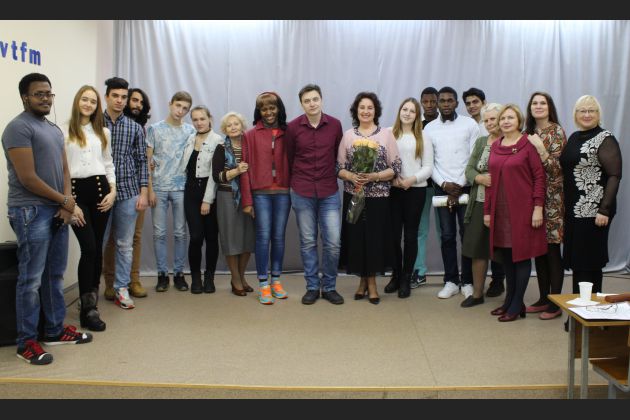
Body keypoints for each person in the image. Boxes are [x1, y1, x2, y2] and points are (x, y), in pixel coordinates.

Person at [2, 73, 91, 365]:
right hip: (30, 211)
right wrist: (64, 201)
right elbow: (27, 178)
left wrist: (66, 202)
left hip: (56, 210)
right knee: (30, 280)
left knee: (54, 275)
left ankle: (53, 330)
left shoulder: (52, 129)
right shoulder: (18, 128)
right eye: (38, 94)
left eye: (48, 94)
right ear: (25, 97)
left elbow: (65, 170)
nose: (45, 99)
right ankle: (26, 342)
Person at [483, 104, 547, 322]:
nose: (506, 121)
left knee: (521, 257)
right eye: (502, 118)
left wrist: (538, 207)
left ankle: (517, 303)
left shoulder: (527, 145)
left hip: (523, 211)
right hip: (500, 212)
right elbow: (490, 182)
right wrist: (487, 211)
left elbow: (539, 177)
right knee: (507, 258)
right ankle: (510, 300)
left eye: (510, 117)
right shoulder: (495, 146)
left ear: (519, 121)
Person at [337, 91, 402, 304]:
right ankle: (363, 281)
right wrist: (352, 176)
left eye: (370, 108)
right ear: (356, 111)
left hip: (378, 197)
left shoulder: (386, 135)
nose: (366, 111)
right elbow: (339, 167)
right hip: (354, 195)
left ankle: (371, 283)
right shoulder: (348, 135)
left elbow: (396, 167)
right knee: (357, 239)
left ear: (376, 111)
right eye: (362, 107)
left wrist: (375, 176)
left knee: (374, 239)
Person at [285, 84, 344, 305]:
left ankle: (329, 287)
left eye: (315, 99)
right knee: (308, 242)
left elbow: (338, 155)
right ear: (302, 104)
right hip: (302, 191)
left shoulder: (335, 125)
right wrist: (295, 183)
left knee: (333, 243)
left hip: (329, 190)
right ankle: (311, 287)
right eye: (307, 101)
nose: (312, 104)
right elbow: (289, 157)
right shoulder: (293, 128)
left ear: (321, 100)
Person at [63, 85, 116, 331]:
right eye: (84, 99)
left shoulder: (103, 132)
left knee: (97, 248)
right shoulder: (63, 131)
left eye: (93, 101)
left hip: (101, 191)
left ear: (97, 106)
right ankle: (87, 309)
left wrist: (113, 192)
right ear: (77, 101)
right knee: (89, 248)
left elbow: (108, 163)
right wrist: (69, 203)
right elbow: (61, 170)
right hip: (76, 194)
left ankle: (91, 301)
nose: (88, 104)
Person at [560, 95, 622, 297]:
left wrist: (604, 210)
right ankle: (583, 306)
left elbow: (614, 175)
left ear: (598, 114)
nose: (587, 114)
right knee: (580, 263)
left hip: (594, 211)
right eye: (582, 111)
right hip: (574, 210)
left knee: (589, 262)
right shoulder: (574, 137)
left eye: (591, 110)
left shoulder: (605, 138)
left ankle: (589, 306)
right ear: (575, 114)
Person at [425, 86, 479, 300]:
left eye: (450, 100)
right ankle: (451, 281)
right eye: (442, 100)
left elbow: (474, 157)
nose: (446, 104)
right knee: (447, 236)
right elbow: (429, 162)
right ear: (437, 103)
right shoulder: (429, 128)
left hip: (465, 186)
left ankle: (467, 281)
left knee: (466, 235)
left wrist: (460, 184)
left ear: (457, 103)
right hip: (442, 187)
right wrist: (444, 184)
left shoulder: (470, 124)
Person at [101, 76, 149, 310]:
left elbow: (142, 161)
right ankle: (91, 291)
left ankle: (121, 288)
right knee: (98, 244)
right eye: (115, 96)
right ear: (107, 97)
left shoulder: (134, 127)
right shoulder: (93, 123)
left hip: (129, 192)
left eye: (123, 97)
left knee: (124, 244)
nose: (120, 101)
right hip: (100, 193)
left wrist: (143, 192)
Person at [240, 92, 291, 305]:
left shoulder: (288, 133)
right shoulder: (250, 135)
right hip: (260, 193)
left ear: (279, 109)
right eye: (264, 109)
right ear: (259, 111)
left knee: (278, 237)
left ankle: (276, 281)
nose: (268, 112)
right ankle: (263, 283)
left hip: (283, 192)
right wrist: (247, 200)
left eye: (272, 108)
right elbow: (244, 169)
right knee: (263, 237)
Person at [523, 92, 568, 320]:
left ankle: (555, 302)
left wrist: (541, 148)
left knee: (551, 250)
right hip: (531, 199)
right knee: (538, 250)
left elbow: (558, 170)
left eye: (543, 103)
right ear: (530, 108)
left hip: (552, 199)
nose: (538, 106)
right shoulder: (526, 133)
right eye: (535, 103)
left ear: (549, 107)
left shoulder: (556, 132)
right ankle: (543, 298)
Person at [147, 91, 195, 292]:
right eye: (178, 106)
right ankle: (162, 274)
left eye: (185, 108)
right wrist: (149, 189)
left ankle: (179, 273)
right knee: (159, 233)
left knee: (180, 232)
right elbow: (147, 161)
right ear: (170, 104)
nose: (180, 111)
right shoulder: (154, 129)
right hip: (158, 187)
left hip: (181, 188)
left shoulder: (190, 131)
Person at [384, 97, 433, 298]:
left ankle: (406, 277)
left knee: (411, 236)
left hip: (415, 191)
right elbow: (382, 161)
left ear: (417, 116)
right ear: (399, 111)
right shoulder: (388, 133)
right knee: (393, 235)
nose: (407, 113)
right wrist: (393, 179)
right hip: (393, 190)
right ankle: (395, 275)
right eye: (405, 109)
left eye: (412, 111)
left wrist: (411, 180)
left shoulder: (423, 137)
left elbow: (428, 167)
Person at [461, 103, 503, 308]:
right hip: (479, 202)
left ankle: (508, 294)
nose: (489, 123)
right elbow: (469, 169)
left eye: (493, 119)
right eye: (486, 120)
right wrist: (479, 178)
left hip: (504, 204)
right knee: (477, 249)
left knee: (505, 249)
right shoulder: (481, 142)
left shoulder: (513, 141)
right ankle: (477, 294)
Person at [180, 106, 223, 294]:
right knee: (196, 237)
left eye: (202, 119)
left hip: (209, 192)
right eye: (195, 119)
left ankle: (209, 277)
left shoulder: (217, 140)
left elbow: (215, 174)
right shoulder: (190, 139)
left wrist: (207, 200)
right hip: (191, 193)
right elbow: (184, 166)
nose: (199, 123)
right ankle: (196, 277)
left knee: (211, 237)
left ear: (209, 118)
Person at [212, 112, 255, 296]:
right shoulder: (221, 148)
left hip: (249, 197)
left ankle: (242, 276)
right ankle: (235, 278)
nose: (233, 127)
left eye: (236, 123)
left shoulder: (250, 145)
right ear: (225, 130)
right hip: (226, 197)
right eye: (229, 125)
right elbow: (217, 176)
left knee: (247, 239)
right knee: (231, 239)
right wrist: (237, 171)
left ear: (242, 126)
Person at [411, 86, 440, 288]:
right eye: (426, 102)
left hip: (442, 185)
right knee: (420, 229)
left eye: (433, 101)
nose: (429, 105)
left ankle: (452, 275)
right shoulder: (416, 125)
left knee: (444, 231)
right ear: (421, 103)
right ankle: (419, 271)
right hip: (421, 185)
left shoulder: (445, 123)